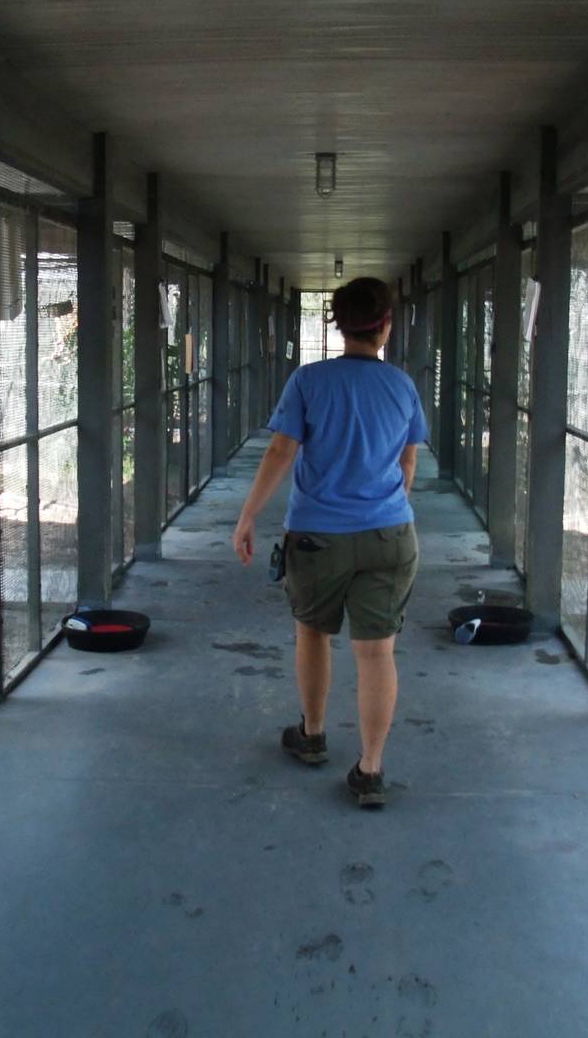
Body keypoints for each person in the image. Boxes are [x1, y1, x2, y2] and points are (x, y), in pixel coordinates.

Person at [233, 277, 429, 808]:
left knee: (314, 633)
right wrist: (388, 506)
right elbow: (408, 461)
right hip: (389, 534)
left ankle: (313, 735)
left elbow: (280, 451)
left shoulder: (308, 381)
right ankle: (370, 769)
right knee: (377, 652)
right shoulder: (402, 386)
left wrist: (248, 516)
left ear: (337, 324)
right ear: (385, 324)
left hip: (319, 536)